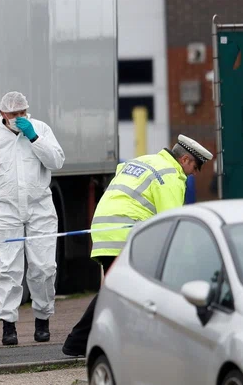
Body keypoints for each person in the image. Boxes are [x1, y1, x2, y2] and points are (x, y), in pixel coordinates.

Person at [61, 135, 213, 356]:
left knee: (123, 292)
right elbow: (171, 222)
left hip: (106, 230)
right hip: (125, 233)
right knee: (120, 292)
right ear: (185, 160)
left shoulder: (145, 161)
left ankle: (109, 343)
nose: (195, 173)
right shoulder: (171, 176)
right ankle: (77, 342)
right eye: (196, 167)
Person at [0, 91, 65, 346]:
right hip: (5, 211)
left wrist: (34, 137)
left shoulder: (40, 129)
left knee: (43, 268)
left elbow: (57, 161)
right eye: (14, 115)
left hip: (40, 209)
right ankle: (8, 325)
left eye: (23, 113)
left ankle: (43, 319)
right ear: (2, 115)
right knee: (9, 270)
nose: (19, 118)